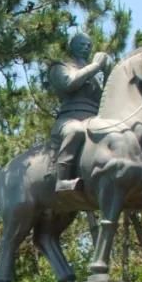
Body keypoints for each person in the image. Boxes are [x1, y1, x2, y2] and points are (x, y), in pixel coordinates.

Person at [49, 32, 114, 192]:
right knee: (75, 131)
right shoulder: (60, 67)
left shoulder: (94, 76)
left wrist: (107, 73)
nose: (86, 47)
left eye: (89, 45)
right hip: (70, 118)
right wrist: (95, 66)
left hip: (93, 119)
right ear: (72, 46)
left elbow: (105, 98)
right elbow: (69, 83)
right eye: (82, 44)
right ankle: (62, 179)